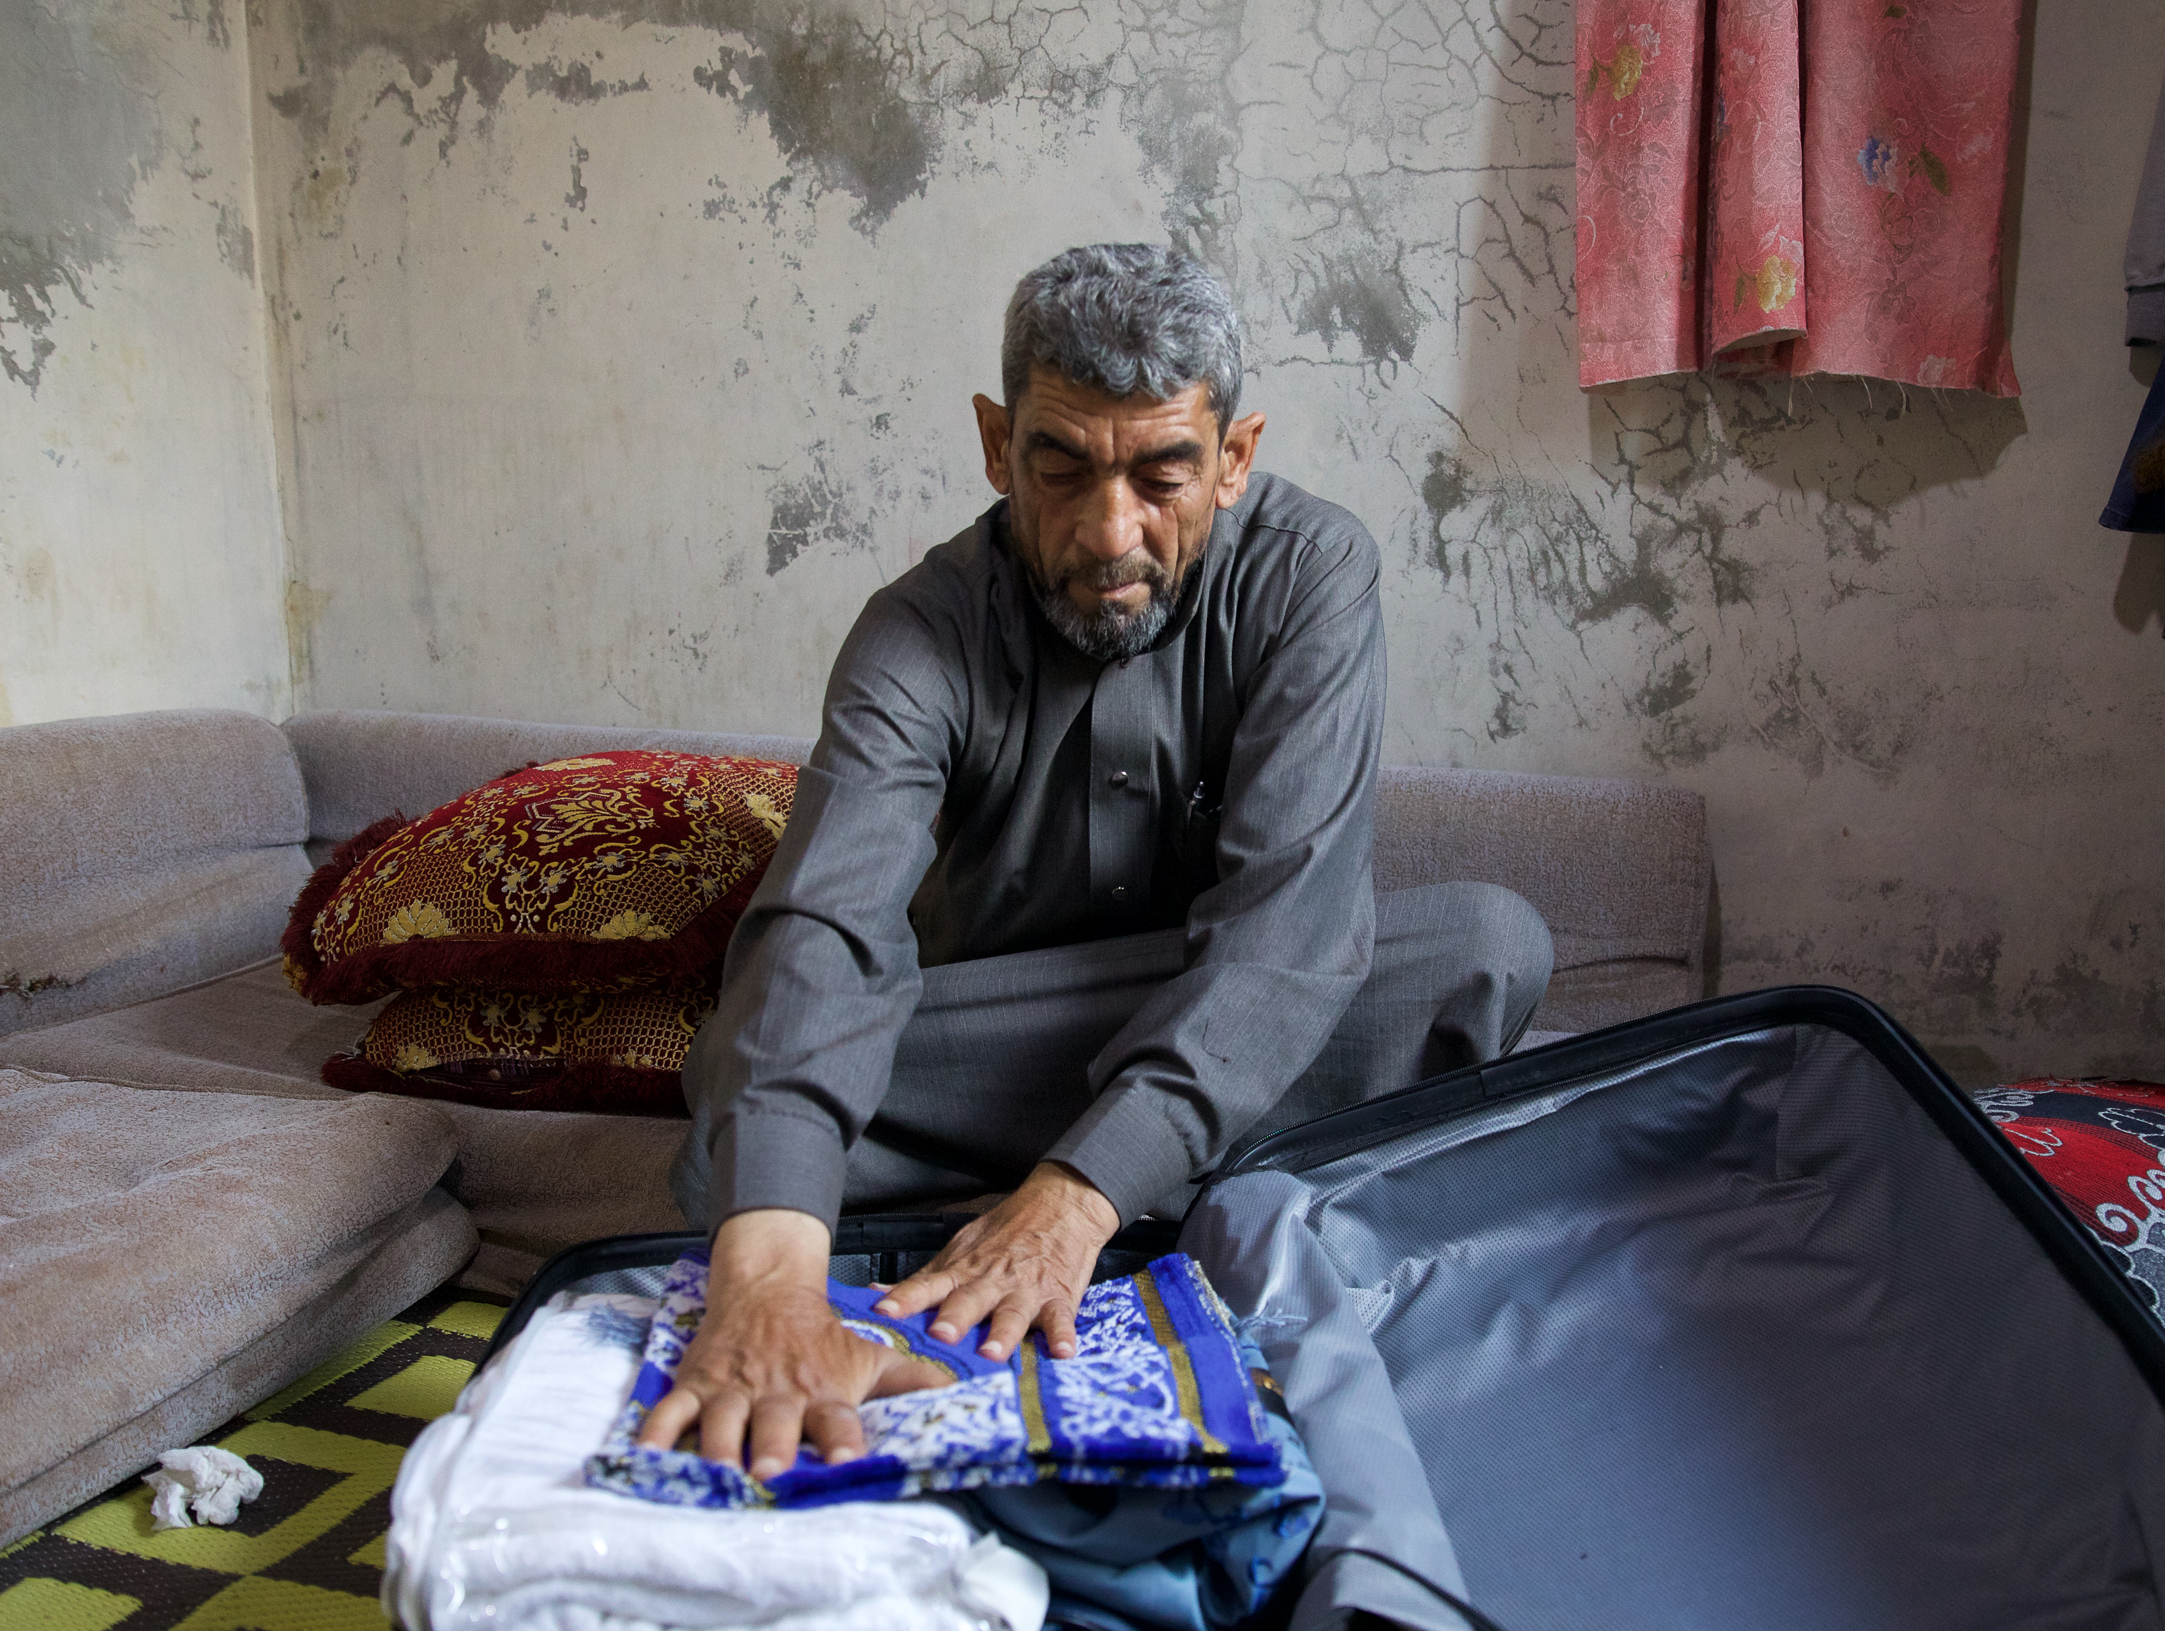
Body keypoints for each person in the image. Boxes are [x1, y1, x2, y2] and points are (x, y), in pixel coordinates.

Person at [643, 244, 1551, 1478]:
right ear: (995, 444)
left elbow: (1288, 930)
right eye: (1060, 467)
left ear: (1234, 458)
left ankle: (1102, 1176)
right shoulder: (919, 631)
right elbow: (826, 933)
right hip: (981, 1037)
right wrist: (765, 1280)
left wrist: (1074, 1197)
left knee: (1482, 948)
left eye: (1162, 475)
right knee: (744, 1125)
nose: (1107, 533)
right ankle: (1183, 1172)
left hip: (1230, 997)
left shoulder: (1312, 575)